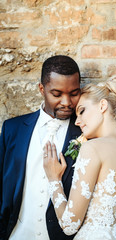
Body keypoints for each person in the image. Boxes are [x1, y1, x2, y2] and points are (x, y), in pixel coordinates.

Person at [43, 76, 116, 240]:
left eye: (82, 111)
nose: (77, 121)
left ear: (102, 106)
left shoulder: (92, 148)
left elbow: (69, 225)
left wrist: (54, 180)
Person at [0, 55, 82, 240]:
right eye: (57, 94)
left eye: (74, 93)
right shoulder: (12, 129)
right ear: (41, 89)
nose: (67, 102)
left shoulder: (87, 134)